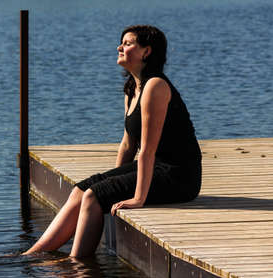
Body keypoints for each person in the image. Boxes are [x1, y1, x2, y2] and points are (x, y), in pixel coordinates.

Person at [23, 25, 202, 258]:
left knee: (93, 196)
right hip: (155, 167)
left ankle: (78, 264)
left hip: (179, 176)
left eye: (128, 44)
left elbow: (146, 149)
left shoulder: (156, 86)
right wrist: (115, 181)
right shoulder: (132, 88)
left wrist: (138, 199)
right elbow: (128, 144)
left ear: (146, 52)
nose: (120, 47)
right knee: (81, 190)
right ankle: (33, 254)